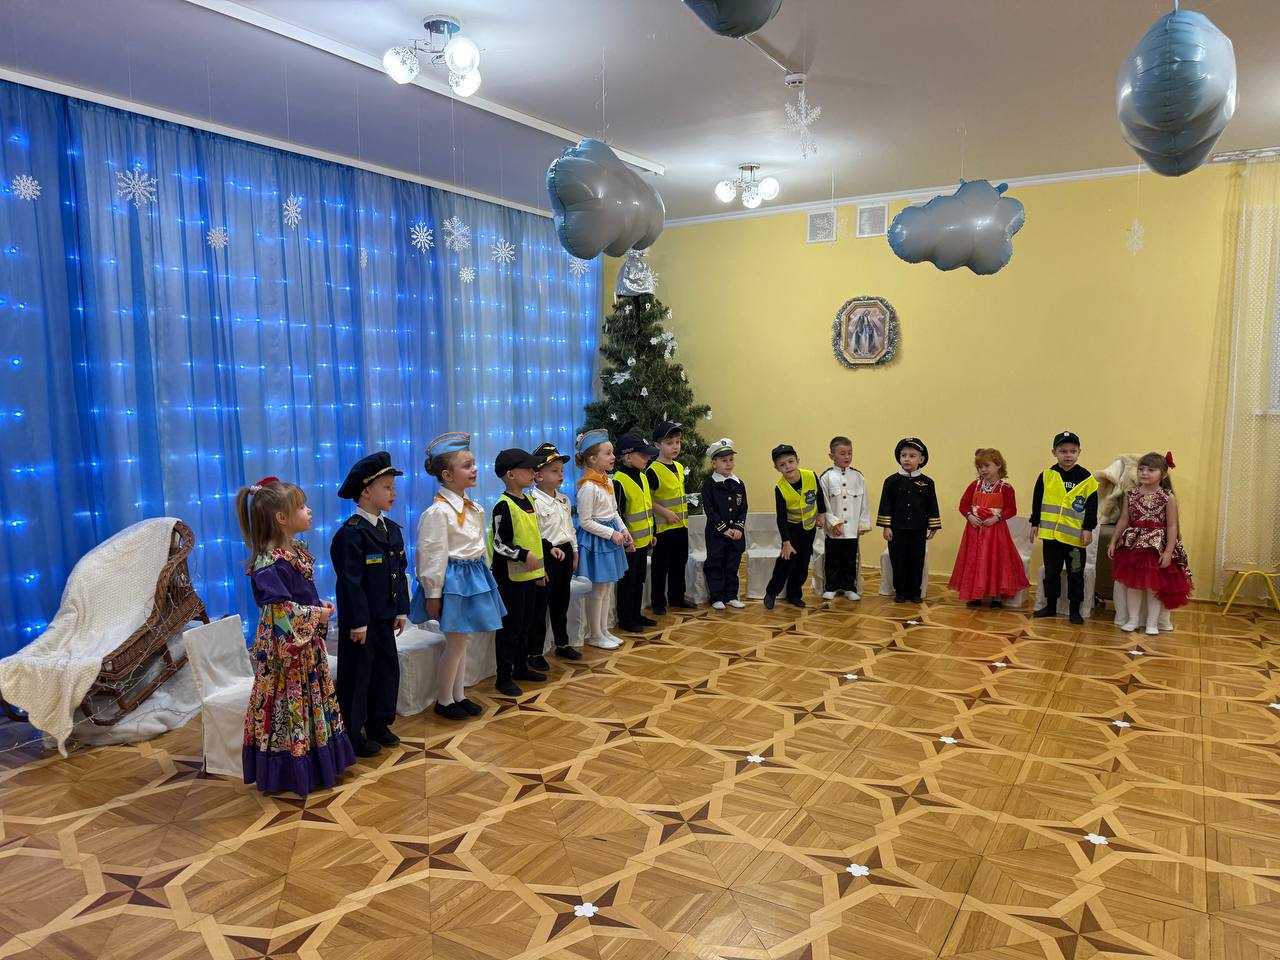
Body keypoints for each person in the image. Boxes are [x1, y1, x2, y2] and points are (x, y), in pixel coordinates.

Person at [237, 477, 355, 795]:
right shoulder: (269, 563)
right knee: (289, 703)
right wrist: (317, 615)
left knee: (308, 700)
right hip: (286, 654)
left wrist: (318, 606)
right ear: (282, 518)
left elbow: (299, 598)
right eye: (301, 507)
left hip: (305, 647)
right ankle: (291, 770)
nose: (309, 511)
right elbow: (280, 612)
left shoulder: (293, 551)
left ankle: (316, 764)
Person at [411, 432, 506, 720]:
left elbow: (480, 545)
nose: (474, 469)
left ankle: (458, 695)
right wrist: (433, 593)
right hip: (453, 583)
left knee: (462, 641)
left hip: (473, 579)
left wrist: (487, 573)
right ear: (447, 475)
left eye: (473, 463)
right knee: (455, 642)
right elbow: (431, 554)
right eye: (467, 465)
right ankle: (444, 700)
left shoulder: (474, 507)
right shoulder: (437, 512)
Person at [331, 452, 409, 757]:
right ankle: (352, 733)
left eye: (393, 487)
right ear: (366, 491)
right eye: (387, 487)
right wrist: (358, 622)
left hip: (385, 616)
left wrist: (400, 609)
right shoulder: (351, 534)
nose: (393, 493)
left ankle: (379, 723)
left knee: (386, 670)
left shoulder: (391, 530)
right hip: (361, 623)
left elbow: (399, 571)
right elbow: (350, 584)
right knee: (358, 675)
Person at [1109, 451, 1192, 634]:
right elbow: (1124, 519)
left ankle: (1152, 623)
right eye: (1141, 469)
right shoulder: (1130, 495)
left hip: (1156, 548)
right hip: (1132, 547)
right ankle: (1132, 619)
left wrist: (1168, 551)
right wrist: (1113, 541)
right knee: (1132, 586)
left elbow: (1172, 526)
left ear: (1163, 474)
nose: (1144, 473)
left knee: (1154, 587)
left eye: (1150, 470)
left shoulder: (1167, 497)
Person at [489, 448, 550, 697]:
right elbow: (498, 543)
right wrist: (523, 555)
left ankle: (521, 667)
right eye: (527, 468)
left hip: (530, 576)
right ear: (511, 474)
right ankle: (503, 677)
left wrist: (542, 568)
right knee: (509, 628)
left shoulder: (530, 501)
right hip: (510, 579)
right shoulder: (503, 505)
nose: (533, 472)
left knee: (526, 625)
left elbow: (535, 537)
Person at [1029, 431, 1099, 625]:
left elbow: (1092, 506)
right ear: (1054, 452)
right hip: (1051, 538)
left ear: (1079, 452)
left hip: (1075, 540)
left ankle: (1075, 610)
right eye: (1063, 451)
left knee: (1076, 573)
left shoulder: (1086, 478)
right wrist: (1034, 523)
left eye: (1072, 451)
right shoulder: (1047, 476)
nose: (1068, 455)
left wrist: (1088, 528)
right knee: (1051, 572)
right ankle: (1051, 605)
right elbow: (1037, 501)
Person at [948, 448, 1030, 608]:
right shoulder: (975, 486)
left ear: (998, 465)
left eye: (987, 466)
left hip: (995, 531)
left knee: (995, 560)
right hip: (975, 531)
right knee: (975, 560)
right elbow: (963, 505)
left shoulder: (1005, 488)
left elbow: (1011, 509)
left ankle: (996, 595)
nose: (983, 470)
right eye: (980, 467)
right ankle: (975, 595)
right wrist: (970, 516)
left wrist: (996, 518)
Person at [575, 429, 633, 649]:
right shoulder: (588, 487)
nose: (613, 457)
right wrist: (611, 533)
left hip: (611, 539)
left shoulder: (607, 481)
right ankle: (595, 634)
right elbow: (585, 521)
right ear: (592, 458)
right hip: (597, 541)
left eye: (612, 453)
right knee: (598, 589)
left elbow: (614, 511)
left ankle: (604, 630)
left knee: (607, 587)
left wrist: (623, 529)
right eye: (607, 453)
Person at [529, 442, 582, 662]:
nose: (561, 475)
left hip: (565, 553)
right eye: (554, 471)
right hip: (546, 556)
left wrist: (574, 551)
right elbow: (534, 536)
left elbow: (569, 528)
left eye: (561, 470)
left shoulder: (563, 499)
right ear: (538, 475)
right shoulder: (532, 502)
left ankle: (562, 643)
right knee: (540, 607)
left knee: (561, 602)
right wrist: (540, 565)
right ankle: (535, 652)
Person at [877, 438, 941, 603]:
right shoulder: (891, 481)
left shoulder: (927, 483)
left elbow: (932, 505)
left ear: (921, 459)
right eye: (903, 455)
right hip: (897, 529)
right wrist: (886, 526)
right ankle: (900, 591)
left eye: (912, 456)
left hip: (918, 529)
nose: (907, 459)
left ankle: (915, 591)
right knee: (898, 560)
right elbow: (885, 505)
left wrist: (933, 527)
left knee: (916, 560)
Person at [763, 443, 827, 610]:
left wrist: (822, 513)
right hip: (791, 530)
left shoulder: (811, 475)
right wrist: (786, 541)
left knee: (803, 564)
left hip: (809, 528)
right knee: (785, 562)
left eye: (791, 462)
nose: (788, 467)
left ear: (797, 460)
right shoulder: (780, 488)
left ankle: (794, 594)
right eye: (782, 465)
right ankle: (771, 592)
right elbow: (781, 518)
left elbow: (819, 495)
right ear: (777, 468)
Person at [613, 434, 661, 632]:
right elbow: (618, 514)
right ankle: (626, 618)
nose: (647, 458)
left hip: (644, 541)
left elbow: (648, 507)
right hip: (629, 544)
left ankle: (636, 613)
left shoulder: (642, 476)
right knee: (628, 582)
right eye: (642, 455)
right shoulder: (618, 481)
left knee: (639, 579)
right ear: (627, 456)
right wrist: (626, 540)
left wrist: (653, 532)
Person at [646, 421, 695, 615]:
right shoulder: (652, 471)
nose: (675, 446)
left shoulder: (679, 467)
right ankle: (658, 601)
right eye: (669, 443)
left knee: (679, 562)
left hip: (681, 526)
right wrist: (665, 512)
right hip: (663, 528)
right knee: (661, 566)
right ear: (658, 445)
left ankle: (677, 597)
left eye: (678, 442)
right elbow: (647, 500)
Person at [819, 436, 871, 601]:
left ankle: (849, 587)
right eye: (842, 453)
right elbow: (823, 504)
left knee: (850, 559)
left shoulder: (858, 477)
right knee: (833, 559)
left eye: (850, 453)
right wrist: (833, 523)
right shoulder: (826, 477)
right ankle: (831, 587)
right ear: (831, 455)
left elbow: (864, 502)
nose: (847, 456)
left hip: (852, 528)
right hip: (834, 529)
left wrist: (862, 523)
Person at [700, 438, 748, 610]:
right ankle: (717, 597)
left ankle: (731, 596)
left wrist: (738, 527)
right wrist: (724, 529)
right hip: (717, 535)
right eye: (723, 460)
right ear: (714, 463)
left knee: (732, 565)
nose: (728, 464)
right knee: (716, 564)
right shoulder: (709, 485)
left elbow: (743, 508)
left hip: (736, 534)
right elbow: (710, 510)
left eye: (731, 460)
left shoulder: (739, 483)